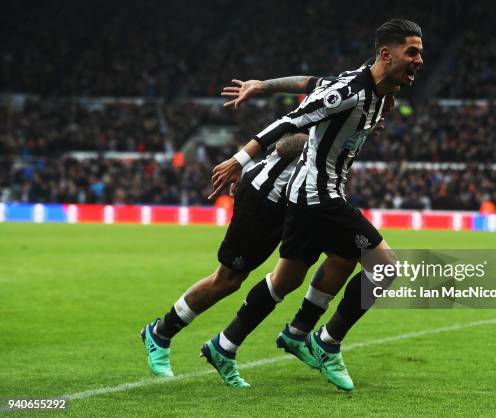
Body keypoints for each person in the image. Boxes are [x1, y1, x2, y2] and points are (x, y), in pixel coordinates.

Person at [204, 18, 423, 391]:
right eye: (412, 52)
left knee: (290, 278)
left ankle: (225, 345)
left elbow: (308, 82)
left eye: (421, 52)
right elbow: (290, 121)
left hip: (311, 196)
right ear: (386, 55)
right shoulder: (349, 91)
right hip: (318, 197)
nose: (419, 60)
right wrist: (239, 160)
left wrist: (263, 84)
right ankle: (325, 342)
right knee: (384, 267)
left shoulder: (384, 91)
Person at [141, 75, 357, 381]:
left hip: (302, 202)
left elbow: (304, 82)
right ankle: (161, 332)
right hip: (266, 197)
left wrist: (263, 85)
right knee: (228, 280)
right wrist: (321, 140)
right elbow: (283, 144)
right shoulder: (339, 98)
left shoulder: (359, 105)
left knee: (336, 257)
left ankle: (287, 335)